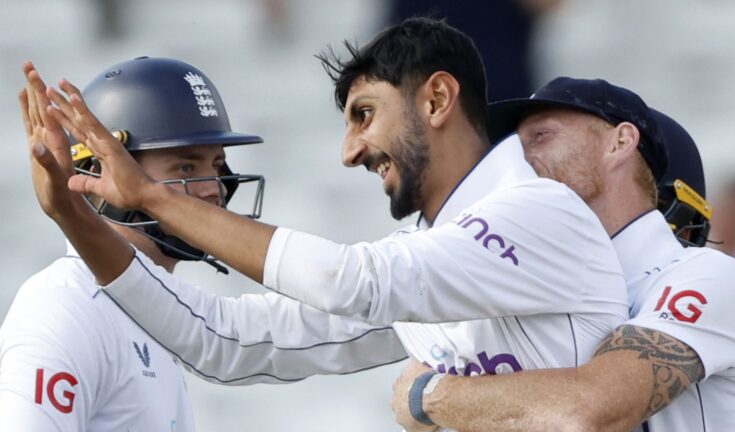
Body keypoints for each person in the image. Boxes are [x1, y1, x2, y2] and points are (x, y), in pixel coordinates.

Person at [35, 18, 628, 428]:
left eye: (365, 115)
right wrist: (72, 215)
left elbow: (352, 280)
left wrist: (153, 197)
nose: (350, 152)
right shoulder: (438, 259)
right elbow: (225, 344)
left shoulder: (537, 213)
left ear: (437, 99)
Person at [391, 78, 735, 431]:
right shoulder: (526, 282)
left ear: (621, 145)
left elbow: (584, 412)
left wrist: (430, 394)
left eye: (542, 137)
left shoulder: (705, 275)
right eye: (517, 149)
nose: (520, 166)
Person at [0, 57, 268, 430]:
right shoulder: (64, 308)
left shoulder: (163, 308)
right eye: (186, 167)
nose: (215, 188)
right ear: (97, 173)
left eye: (217, 164)